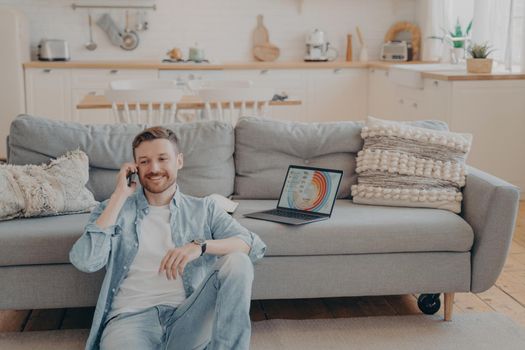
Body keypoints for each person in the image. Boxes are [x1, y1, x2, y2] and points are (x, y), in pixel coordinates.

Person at [69, 126, 266, 350]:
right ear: (134, 168)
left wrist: (199, 246)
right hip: (129, 322)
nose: (154, 168)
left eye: (163, 159)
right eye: (144, 161)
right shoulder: (112, 209)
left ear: (179, 161)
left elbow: (253, 246)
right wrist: (119, 195)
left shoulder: (204, 209)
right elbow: (86, 261)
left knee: (238, 261)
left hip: (187, 319)